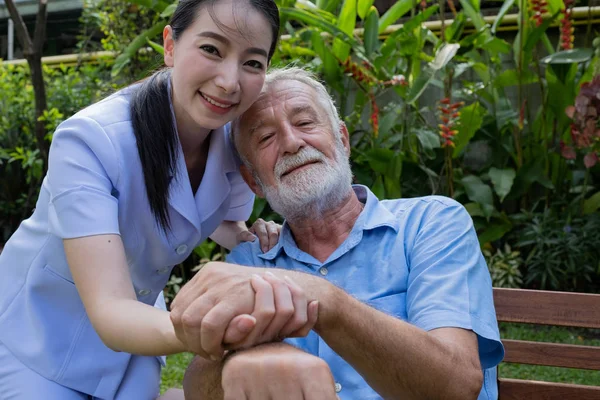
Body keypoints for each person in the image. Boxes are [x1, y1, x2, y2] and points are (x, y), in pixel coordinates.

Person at [0, 3, 316, 399]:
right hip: (39, 338)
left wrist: (250, 238)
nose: (229, 81)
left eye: (252, 62)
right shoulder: (89, 141)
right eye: (212, 50)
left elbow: (218, 218)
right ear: (170, 45)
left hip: (137, 343)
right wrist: (211, 323)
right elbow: (111, 309)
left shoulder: (232, 137)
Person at [177, 67, 505, 400]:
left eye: (305, 123)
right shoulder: (251, 259)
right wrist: (243, 358)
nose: (291, 143)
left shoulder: (431, 223)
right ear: (252, 182)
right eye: (265, 138)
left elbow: (456, 387)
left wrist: (325, 299)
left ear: (343, 140)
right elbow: (197, 390)